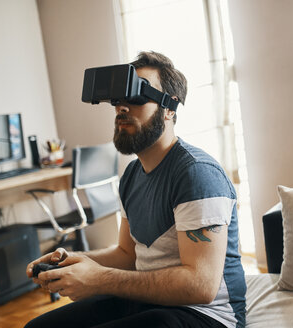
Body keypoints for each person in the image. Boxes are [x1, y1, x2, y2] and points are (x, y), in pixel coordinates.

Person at [25, 51, 246, 328]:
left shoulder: (197, 174)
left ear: (169, 108)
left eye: (138, 96)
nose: (122, 108)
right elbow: (127, 255)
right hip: (150, 301)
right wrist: (77, 260)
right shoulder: (132, 174)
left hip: (207, 316)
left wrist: (98, 279)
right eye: (118, 100)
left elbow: (200, 286)